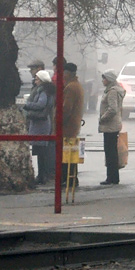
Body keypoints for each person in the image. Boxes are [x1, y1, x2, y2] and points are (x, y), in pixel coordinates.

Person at [22, 69, 56, 185]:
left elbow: (41, 104)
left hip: (41, 124)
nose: (35, 81)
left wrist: (28, 105)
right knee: (40, 151)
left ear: (41, 80)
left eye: (37, 79)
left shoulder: (43, 91)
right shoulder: (45, 90)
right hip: (39, 123)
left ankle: (42, 176)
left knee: (42, 152)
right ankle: (42, 175)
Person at [57, 60, 85, 190]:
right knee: (72, 154)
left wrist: (59, 121)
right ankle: (72, 178)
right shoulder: (76, 85)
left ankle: (67, 179)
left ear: (67, 73)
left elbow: (66, 109)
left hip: (68, 127)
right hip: (73, 125)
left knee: (66, 154)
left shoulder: (71, 87)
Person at [98, 70, 125, 185]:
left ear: (108, 79)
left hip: (110, 126)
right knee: (111, 151)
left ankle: (112, 177)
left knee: (110, 152)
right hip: (113, 125)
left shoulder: (112, 92)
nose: (102, 80)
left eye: (104, 78)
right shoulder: (112, 90)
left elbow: (112, 109)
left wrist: (102, 118)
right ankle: (113, 176)